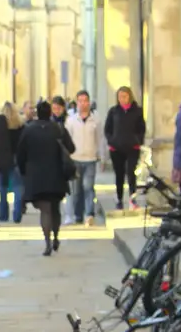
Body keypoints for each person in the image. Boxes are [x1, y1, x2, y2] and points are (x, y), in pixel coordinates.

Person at [16, 99, 75, 255]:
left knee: (45, 210)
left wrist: (24, 172)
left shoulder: (28, 130)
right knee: (55, 208)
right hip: (56, 175)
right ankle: (56, 236)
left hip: (36, 177)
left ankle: (47, 241)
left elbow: (20, 154)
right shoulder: (58, 129)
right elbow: (71, 148)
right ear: (49, 113)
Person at [104, 86, 146, 210]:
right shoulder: (113, 111)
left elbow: (141, 129)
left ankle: (132, 199)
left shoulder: (137, 111)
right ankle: (119, 199)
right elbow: (107, 129)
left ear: (130, 96)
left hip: (132, 147)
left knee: (131, 173)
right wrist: (111, 141)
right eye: (120, 97)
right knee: (119, 174)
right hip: (116, 148)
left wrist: (137, 140)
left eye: (125, 96)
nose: (122, 99)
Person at [66, 90, 101, 227]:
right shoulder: (71, 120)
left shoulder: (95, 120)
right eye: (80, 101)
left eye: (85, 100)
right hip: (75, 158)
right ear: (77, 103)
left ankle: (89, 214)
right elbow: (68, 139)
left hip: (90, 158)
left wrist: (101, 155)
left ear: (89, 102)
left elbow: (99, 138)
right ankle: (78, 214)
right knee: (76, 190)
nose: (83, 103)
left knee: (88, 186)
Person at [0, 102, 23, 223]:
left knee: (3, 188)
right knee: (17, 188)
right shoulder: (19, 127)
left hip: (2, 160)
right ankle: (17, 214)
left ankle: (3, 215)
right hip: (16, 160)